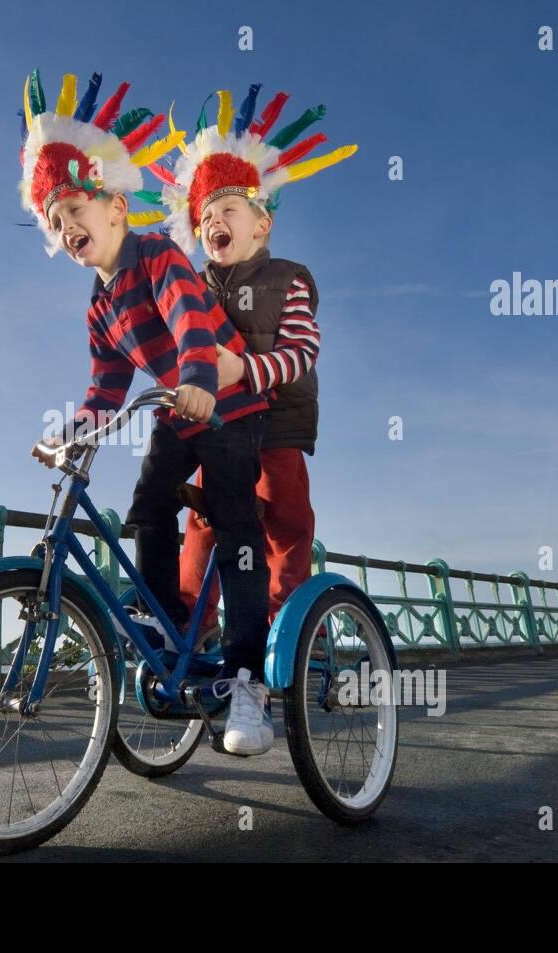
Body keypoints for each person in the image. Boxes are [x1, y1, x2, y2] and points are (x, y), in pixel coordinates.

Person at [19, 69, 273, 754]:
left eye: (77, 207)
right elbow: (105, 389)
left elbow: (190, 318)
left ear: (117, 209)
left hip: (227, 402)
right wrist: (69, 434)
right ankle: (163, 623)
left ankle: (249, 678)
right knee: (148, 501)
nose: (67, 224)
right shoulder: (100, 309)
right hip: (176, 409)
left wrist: (195, 377)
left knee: (233, 521)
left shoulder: (159, 254)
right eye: (55, 218)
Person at [155, 83, 356, 644]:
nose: (212, 221)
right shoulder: (192, 285)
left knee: (283, 525)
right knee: (202, 523)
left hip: (278, 424)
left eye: (227, 209)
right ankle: (191, 625)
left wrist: (244, 371)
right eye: (203, 217)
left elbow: (301, 351)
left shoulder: (287, 278)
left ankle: (283, 627)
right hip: (219, 428)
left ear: (262, 222)